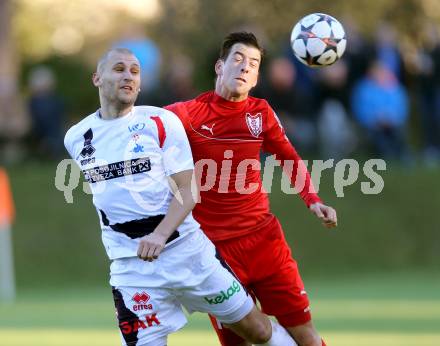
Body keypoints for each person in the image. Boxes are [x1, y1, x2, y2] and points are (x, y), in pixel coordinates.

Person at [63, 47, 298, 346]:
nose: (128, 76)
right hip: (132, 268)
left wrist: (160, 235)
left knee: (259, 331)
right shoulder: (76, 137)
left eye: (135, 72)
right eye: (119, 69)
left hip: (188, 253)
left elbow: (188, 192)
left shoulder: (160, 122)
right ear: (97, 78)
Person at [165, 32, 337, 346]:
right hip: (215, 256)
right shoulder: (185, 114)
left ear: (256, 77)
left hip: (265, 245)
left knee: (307, 337)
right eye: (238, 59)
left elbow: (288, 157)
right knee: (238, 343)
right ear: (220, 66)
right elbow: (142, 129)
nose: (245, 67)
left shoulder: (261, 112)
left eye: (253, 63)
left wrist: (313, 199)